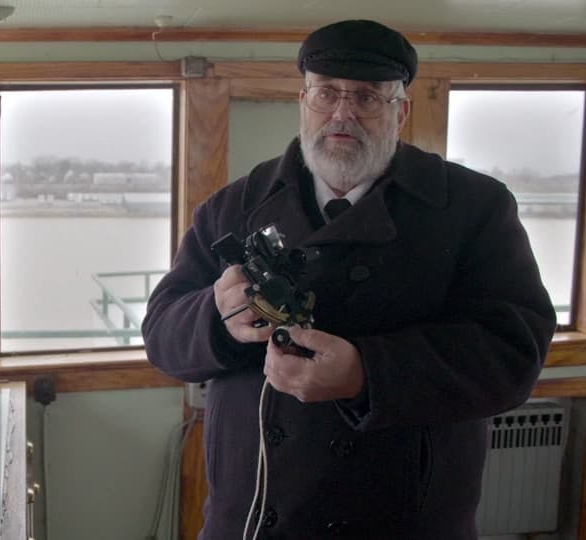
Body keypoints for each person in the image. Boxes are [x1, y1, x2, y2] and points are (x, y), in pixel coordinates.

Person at [141, 19, 556, 540]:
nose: (342, 113)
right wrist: (216, 317)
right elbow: (160, 335)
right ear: (303, 100)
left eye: (366, 97)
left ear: (400, 111)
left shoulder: (475, 209)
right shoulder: (234, 205)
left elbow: (514, 353)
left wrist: (368, 375)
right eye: (327, 94)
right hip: (251, 521)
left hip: (407, 522)